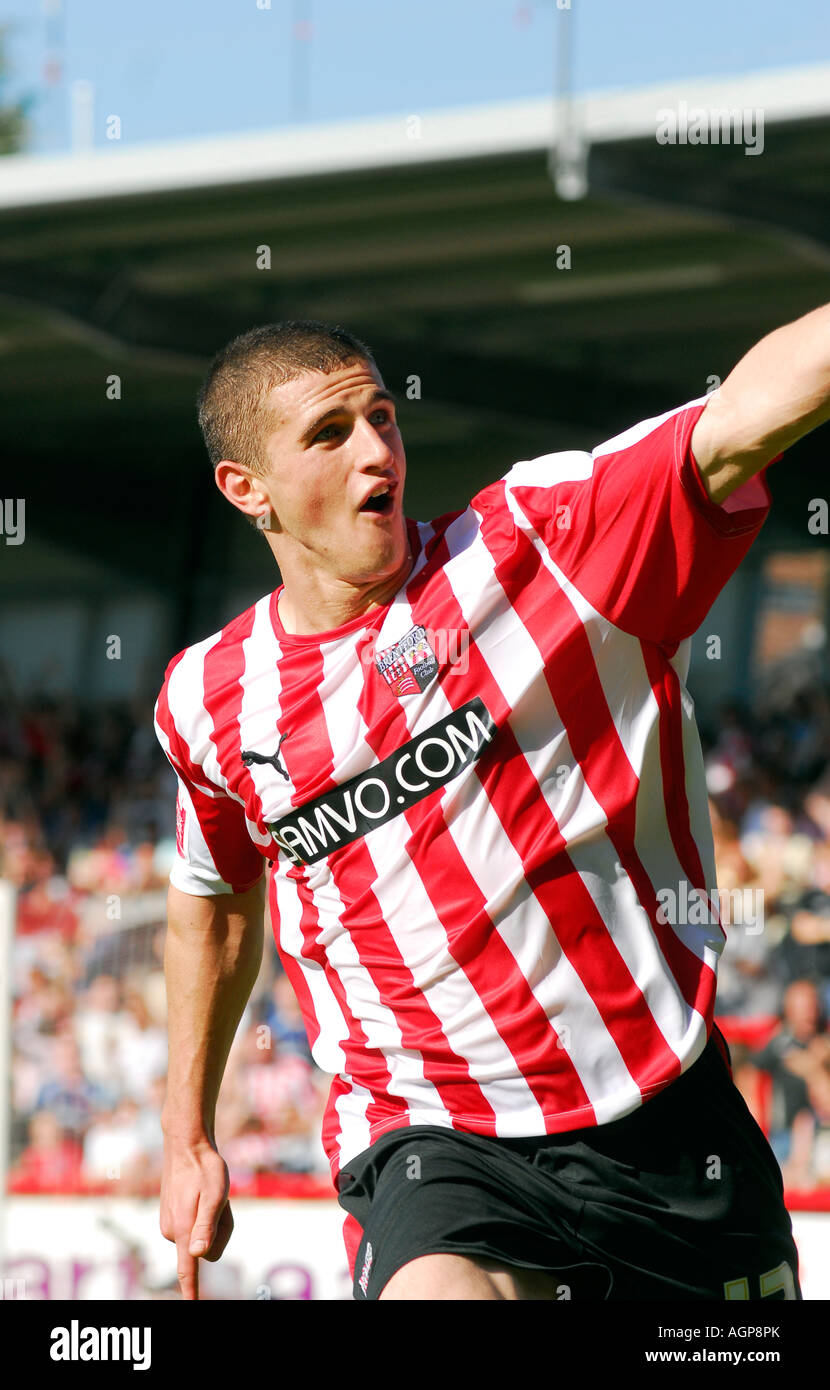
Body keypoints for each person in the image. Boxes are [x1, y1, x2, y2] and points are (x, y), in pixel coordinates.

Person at [155, 308, 830, 1301]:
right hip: (431, 1138)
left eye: (380, 416)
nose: (374, 449)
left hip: (662, 1119)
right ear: (244, 488)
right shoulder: (208, 700)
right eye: (328, 434)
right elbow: (211, 909)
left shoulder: (535, 543)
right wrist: (186, 1136)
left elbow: (733, 423)